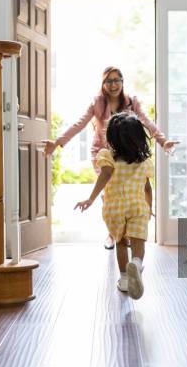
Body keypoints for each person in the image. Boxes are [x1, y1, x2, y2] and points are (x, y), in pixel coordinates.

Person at [43, 66, 178, 249]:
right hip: (103, 152)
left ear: (122, 82)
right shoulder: (97, 103)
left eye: (117, 80)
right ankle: (113, 233)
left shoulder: (131, 102)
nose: (113, 85)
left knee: (132, 188)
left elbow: (146, 121)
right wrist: (57, 141)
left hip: (128, 152)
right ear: (103, 83)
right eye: (109, 81)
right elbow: (79, 124)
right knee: (108, 191)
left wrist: (163, 141)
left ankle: (131, 228)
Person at [75, 113, 153, 299]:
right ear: (138, 137)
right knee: (138, 241)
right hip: (137, 207)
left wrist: (91, 199)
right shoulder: (144, 162)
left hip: (114, 209)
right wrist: (149, 207)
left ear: (112, 136)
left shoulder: (106, 156)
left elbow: (106, 174)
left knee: (120, 242)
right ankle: (136, 262)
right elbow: (147, 188)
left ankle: (125, 279)